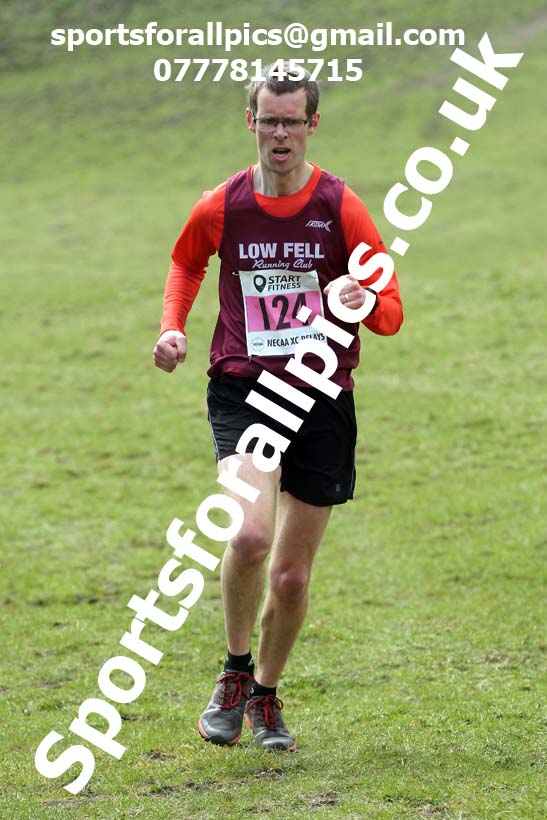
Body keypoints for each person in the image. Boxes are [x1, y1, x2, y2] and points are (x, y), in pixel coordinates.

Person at [153, 63, 403, 752]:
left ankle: (264, 695)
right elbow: (185, 262)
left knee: (291, 578)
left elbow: (391, 313)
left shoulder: (340, 206)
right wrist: (172, 326)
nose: (281, 133)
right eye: (270, 119)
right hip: (243, 389)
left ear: (312, 124)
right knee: (248, 536)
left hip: (320, 398)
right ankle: (233, 673)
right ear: (251, 123)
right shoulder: (223, 204)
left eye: (293, 120)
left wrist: (362, 301)